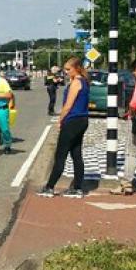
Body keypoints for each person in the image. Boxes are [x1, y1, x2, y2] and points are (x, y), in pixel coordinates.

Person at [37, 57, 89, 198]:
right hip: (82, 120)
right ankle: (77, 188)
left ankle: (49, 187)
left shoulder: (76, 82)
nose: (66, 72)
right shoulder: (84, 81)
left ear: (77, 68)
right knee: (76, 154)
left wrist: (60, 120)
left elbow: (68, 105)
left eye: (68, 69)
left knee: (60, 155)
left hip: (72, 120)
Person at [111, 59, 136, 195]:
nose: (134, 76)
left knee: (131, 152)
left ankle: (126, 184)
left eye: (134, 73)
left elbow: (135, 101)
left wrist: (129, 111)